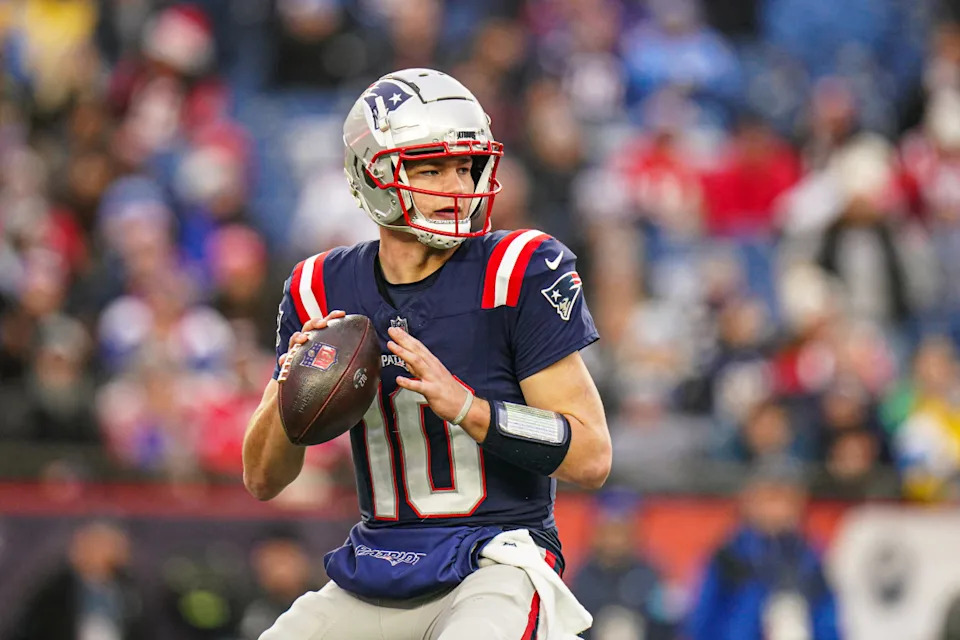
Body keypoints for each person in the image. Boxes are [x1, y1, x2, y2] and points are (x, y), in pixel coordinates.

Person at [242, 68, 611, 639]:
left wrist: (470, 408)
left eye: (465, 167)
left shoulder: (517, 270)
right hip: (377, 564)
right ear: (374, 175)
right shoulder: (319, 288)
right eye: (432, 169)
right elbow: (264, 479)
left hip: (496, 561)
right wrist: (291, 386)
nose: (458, 186)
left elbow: (591, 455)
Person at [686, 459, 840, 640]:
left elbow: (826, 616)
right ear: (751, 502)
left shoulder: (810, 556)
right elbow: (702, 620)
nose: (776, 510)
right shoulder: (729, 555)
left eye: (785, 500)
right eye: (769, 499)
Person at [10, 520, 150, 640]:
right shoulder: (56, 591)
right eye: (95, 546)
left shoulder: (129, 589)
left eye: (111, 547)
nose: (101, 554)